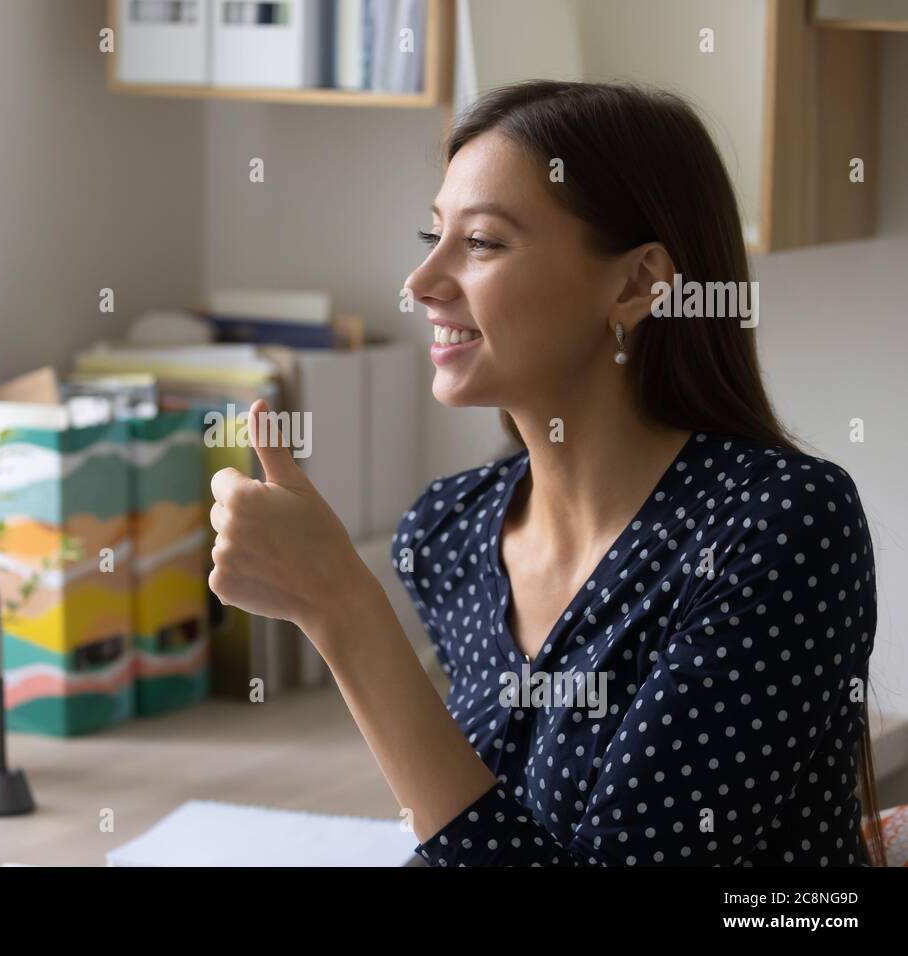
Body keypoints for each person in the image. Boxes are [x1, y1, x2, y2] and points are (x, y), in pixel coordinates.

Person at [206, 80, 884, 867]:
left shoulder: (779, 528)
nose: (422, 283)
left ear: (637, 285)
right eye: (431, 234)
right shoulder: (448, 532)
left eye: (483, 243)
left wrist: (341, 610)